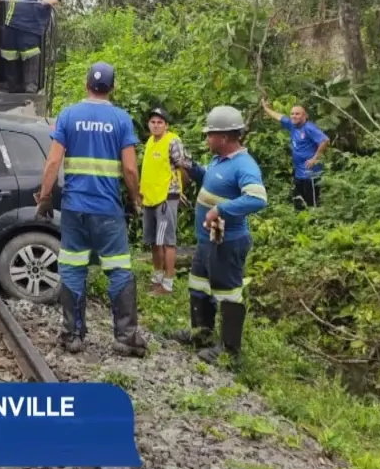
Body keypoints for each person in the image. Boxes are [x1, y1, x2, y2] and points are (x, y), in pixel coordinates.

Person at [35, 62, 147, 357]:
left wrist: (44, 197)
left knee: (73, 269)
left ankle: (72, 335)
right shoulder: (121, 119)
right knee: (119, 269)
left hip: (74, 209)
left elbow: (53, 162)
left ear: (86, 84)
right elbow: (130, 169)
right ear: (112, 87)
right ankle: (125, 338)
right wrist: (135, 198)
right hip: (108, 210)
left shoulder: (68, 115)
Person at [168, 105, 268, 364]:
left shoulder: (244, 165)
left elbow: (257, 198)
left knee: (228, 293)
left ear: (224, 137)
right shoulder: (219, 159)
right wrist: (192, 168)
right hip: (207, 241)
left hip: (227, 242)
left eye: (210, 134)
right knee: (198, 285)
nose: (207, 138)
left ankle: (229, 350)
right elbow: (211, 180)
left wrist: (220, 210)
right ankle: (201, 333)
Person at [140, 107, 188, 296]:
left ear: (166, 125)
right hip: (150, 197)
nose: (156, 125)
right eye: (153, 122)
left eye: (160, 122)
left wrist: (179, 190)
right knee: (154, 240)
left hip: (166, 197)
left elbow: (183, 167)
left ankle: (168, 283)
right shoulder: (150, 142)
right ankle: (157, 277)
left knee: (167, 241)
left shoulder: (172, 141)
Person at [260, 99, 330, 209]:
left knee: (312, 204)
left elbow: (325, 140)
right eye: (292, 114)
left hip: (310, 173)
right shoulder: (292, 125)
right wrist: (266, 108)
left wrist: (315, 158)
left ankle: (316, 218)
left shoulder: (309, 128)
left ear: (305, 116)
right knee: (299, 203)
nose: (294, 116)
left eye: (297, 114)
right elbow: (278, 116)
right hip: (299, 172)